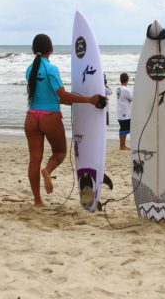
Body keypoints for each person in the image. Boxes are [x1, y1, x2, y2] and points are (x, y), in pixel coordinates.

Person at [25, 34, 105, 208]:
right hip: (49, 118)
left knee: (34, 160)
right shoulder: (51, 69)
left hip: (31, 117)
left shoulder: (29, 70)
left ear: (33, 49)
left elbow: (50, 97)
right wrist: (89, 100)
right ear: (51, 49)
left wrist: (72, 101)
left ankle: (37, 201)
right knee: (60, 152)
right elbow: (60, 94)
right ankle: (47, 170)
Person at [116, 72, 132, 150]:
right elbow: (132, 98)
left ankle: (122, 145)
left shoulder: (118, 88)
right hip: (125, 113)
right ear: (127, 80)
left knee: (123, 128)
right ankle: (122, 146)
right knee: (124, 129)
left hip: (120, 112)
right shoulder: (126, 90)